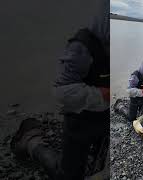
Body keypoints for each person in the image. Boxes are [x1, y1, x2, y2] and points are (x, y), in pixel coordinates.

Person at [10, 0, 110, 179]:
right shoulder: (82, 47)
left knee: (100, 160)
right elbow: (61, 91)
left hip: (104, 117)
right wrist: (104, 94)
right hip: (81, 120)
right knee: (67, 175)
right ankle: (31, 141)